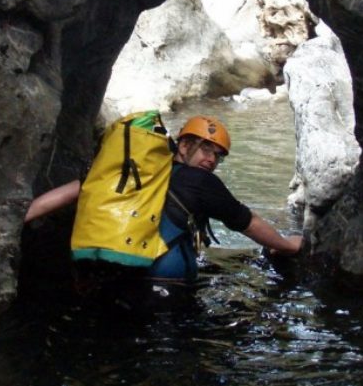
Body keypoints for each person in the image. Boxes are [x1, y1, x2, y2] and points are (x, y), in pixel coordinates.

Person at [24, 115, 304, 287]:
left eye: (218, 155)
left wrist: (21, 218)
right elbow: (248, 223)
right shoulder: (201, 182)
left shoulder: (132, 171)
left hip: (105, 279)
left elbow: (74, 190)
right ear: (183, 145)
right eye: (206, 148)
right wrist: (288, 244)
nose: (212, 159)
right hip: (165, 285)